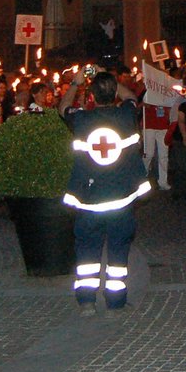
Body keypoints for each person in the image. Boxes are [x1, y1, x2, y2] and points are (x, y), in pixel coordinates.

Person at [63, 71, 151, 315]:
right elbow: (131, 96)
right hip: (120, 201)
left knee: (87, 253)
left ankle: (86, 303)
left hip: (89, 201)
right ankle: (115, 304)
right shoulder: (125, 116)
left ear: (91, 95)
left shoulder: (81, 120)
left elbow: (63, 107)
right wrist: (111, 78)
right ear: (114, 94)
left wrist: (75, 83)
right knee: (118, 254)